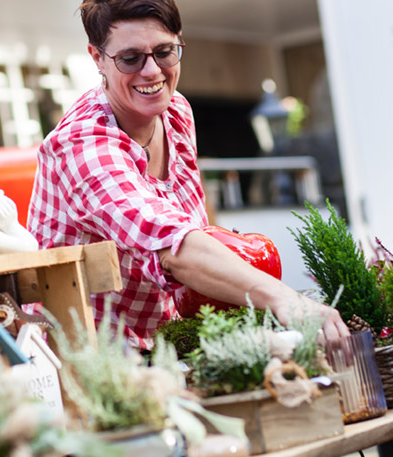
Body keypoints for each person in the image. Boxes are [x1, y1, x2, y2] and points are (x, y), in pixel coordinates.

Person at [27, 0, 349, 350]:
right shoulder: (80, 143)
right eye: (130, 58)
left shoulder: (176, 111)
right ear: (97, 57)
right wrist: (286, 301)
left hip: (165, 346)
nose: (151, 71)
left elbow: (193, 230)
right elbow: (168, 243)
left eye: (164, 52)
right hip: (87, 364)